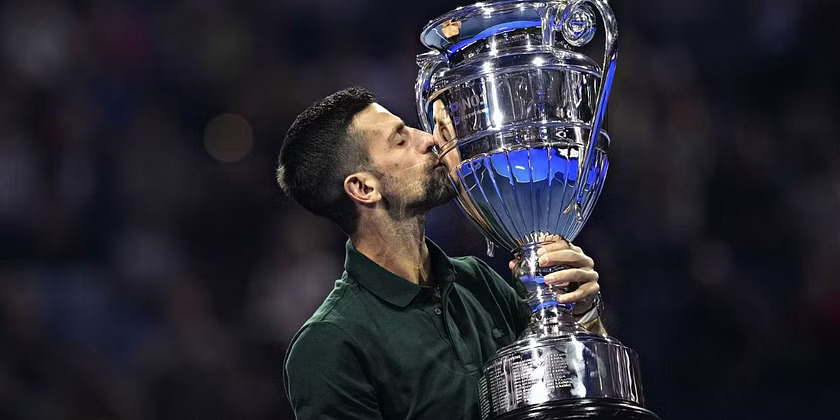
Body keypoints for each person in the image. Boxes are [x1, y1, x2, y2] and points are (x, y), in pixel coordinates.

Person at [278, 87, 603, 419]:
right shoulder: (329, 345)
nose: (429, 140)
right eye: (401, 141)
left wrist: (581, 316)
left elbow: (573, 398)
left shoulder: (479, 282)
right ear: (363, 188)